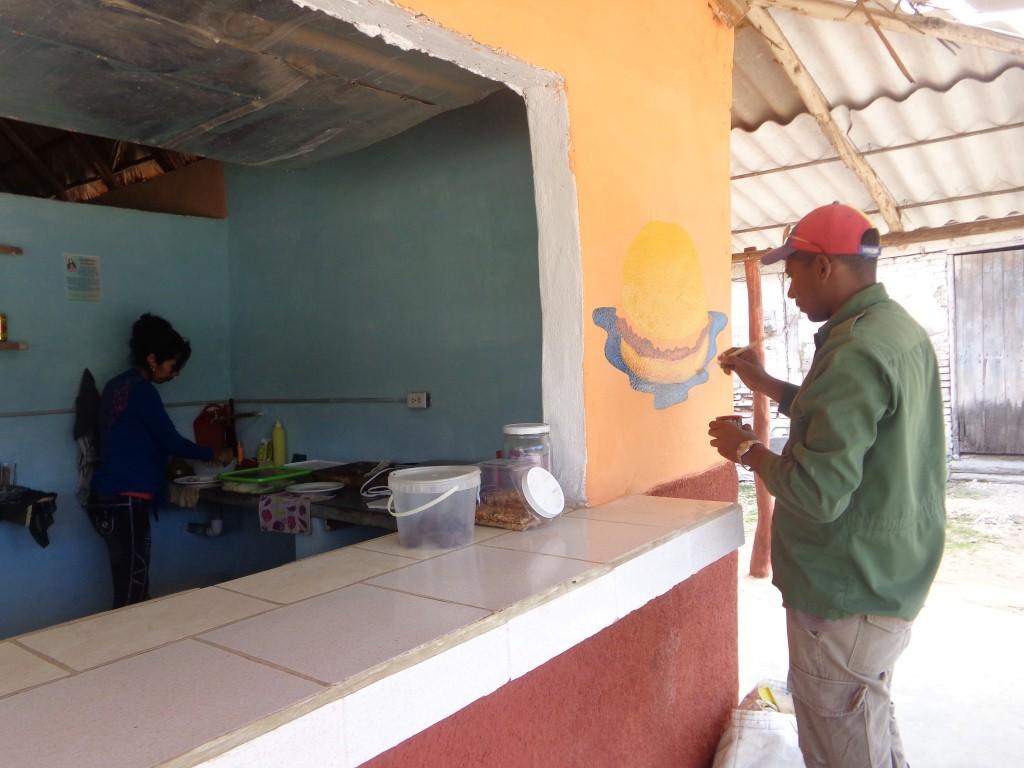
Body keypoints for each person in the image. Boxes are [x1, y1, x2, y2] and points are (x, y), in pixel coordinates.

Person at [708, 203, 946, 767]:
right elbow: (851, 419)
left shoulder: (854, 351)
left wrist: (747, 450)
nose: (789, 293)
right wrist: (765, 383)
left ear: (823, 268)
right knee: (869, 724)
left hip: (847, 591)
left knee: (842, 747)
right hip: (889, 574)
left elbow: (818, 493)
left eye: (791, 275)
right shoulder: (893, 331)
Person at [90, 313, 232, 608]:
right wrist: (213, 454)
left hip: (105, 496)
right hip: (128, 498)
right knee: (133, 591)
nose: (175, 374)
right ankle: (132, 649)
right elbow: (169, 440)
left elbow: (127, 440)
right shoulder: (143, 392)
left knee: (128, 584)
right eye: (173, 366)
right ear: (153, 359)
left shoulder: (117, 386)